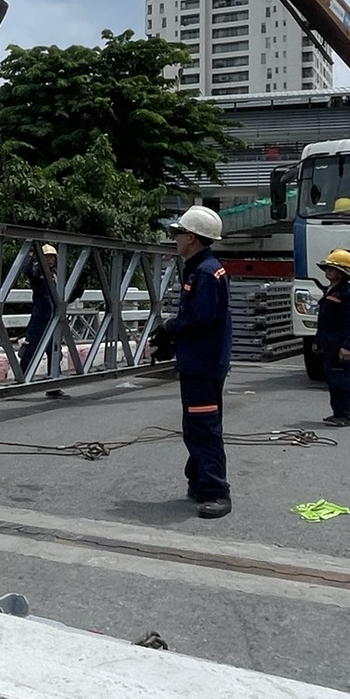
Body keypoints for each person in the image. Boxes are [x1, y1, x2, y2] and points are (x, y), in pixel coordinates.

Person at [153, 207, 233, 519]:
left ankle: (216, 490)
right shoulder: (202, 268)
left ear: (192, 237)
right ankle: (200, 479)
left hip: (202, 362)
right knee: (196, 424)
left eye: (179, 234)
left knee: (203, 426)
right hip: (202, 359)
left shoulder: (205, 272)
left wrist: (170, 328)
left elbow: (200, 317)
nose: (175, 239)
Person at [315, 247, 350, 427]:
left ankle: (345, 415)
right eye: (327, 268)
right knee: (333, 379)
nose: (328, 271)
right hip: (330, 343)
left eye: (333, 268)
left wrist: (348, 346)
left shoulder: (348, 294)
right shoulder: (332, 290)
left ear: (343, 272)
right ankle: (337, 413)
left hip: (341, 345)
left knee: (342, 379)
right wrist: (318, 341)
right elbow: (325, 321)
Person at [16, 242, 64, 389]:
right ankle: (21, 380)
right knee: (30, 349)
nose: (50, 260)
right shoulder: (37, 273)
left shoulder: (57, 276)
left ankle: (54, 384)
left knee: (54, 351)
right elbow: (27, 270)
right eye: (46, 257)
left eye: (52, 257)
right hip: (39, 317)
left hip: (53, 317)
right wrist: (30, 254)